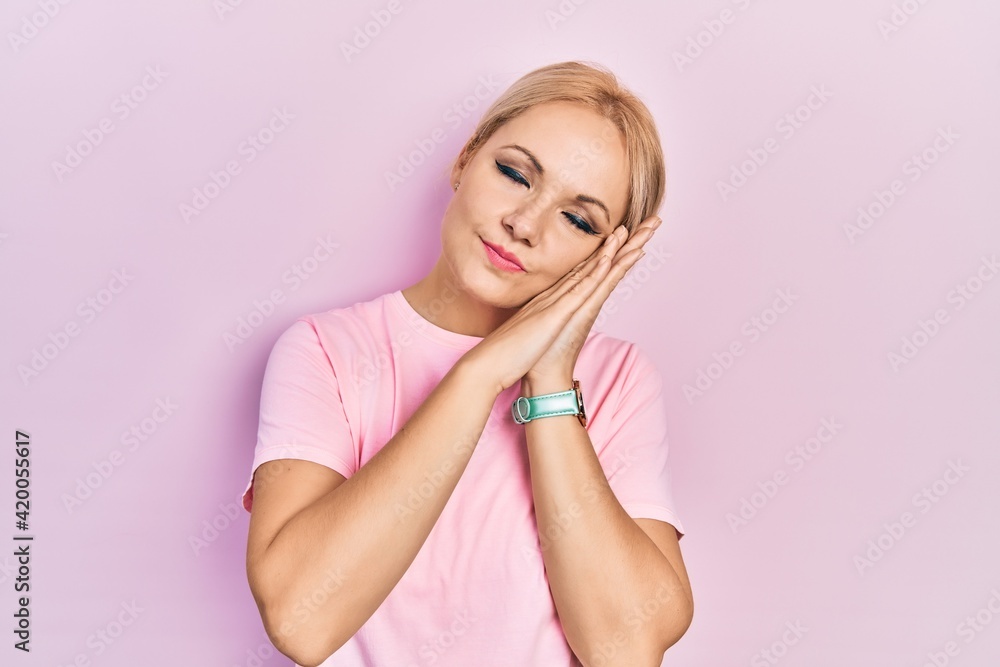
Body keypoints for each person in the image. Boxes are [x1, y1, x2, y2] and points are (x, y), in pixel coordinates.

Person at [242, 60, 693, 667]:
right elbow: (300, 620)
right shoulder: (326, 349)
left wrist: (549, 381)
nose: (524, 225)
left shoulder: (619, 379)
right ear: (465, 159)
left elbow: (627, 651)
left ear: (604, 257)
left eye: (577, 219)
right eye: (515, 174)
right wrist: (479, 375)